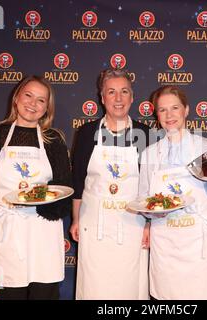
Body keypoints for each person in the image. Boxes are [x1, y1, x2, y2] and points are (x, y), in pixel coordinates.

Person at [0, 75, 72, 300]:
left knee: (45, 293)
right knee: (10, 295)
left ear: (47, 108)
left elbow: (64, 188)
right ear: (16, 98)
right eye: (28, 95)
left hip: (43, 231)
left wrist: (40, 204)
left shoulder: (53, 140)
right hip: (6, 231)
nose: (33, 104)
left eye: (41, 100)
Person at [139, 85, 207, 300]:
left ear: (186, 110)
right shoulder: (150, 154)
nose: (169, 115)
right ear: (156, 114)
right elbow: (144, 199)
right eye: (162, 110)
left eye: (175, 108)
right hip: (165, 243)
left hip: (199, 243)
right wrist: (150, 215)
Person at [70, 68, 152, 299]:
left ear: (132, 97)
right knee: (95, 287)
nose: (118, 98)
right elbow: (78, 182)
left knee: (129, 286)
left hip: (132, 224)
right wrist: (76, 219)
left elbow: (150, 187)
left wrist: (149, 224)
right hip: (94, 222)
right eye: (112, 92)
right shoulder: (87, 132)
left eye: (124, 92)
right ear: (102, 97)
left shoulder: (145, 133)